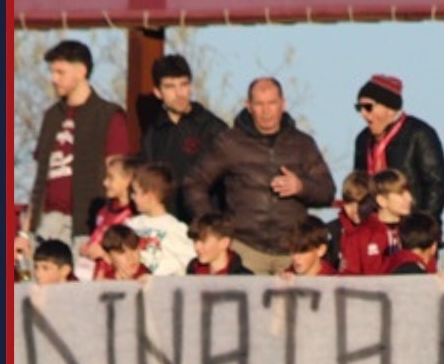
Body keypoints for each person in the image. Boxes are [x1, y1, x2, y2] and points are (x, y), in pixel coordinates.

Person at [184, 76, 336, 275]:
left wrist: (301, 187)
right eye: (259, 104)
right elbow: (195, 182)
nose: (266, 111)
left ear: (283, 104)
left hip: (292, 251)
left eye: (272, 103)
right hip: (245, 249)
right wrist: (212, 227)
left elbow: (327, 190)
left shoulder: (302, 144)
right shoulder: (230, 142)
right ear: (249, 106)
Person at [20, 39, 130, 260]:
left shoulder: (108, 115)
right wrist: (24, 231)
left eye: (60, 72)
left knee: (78, 293)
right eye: (52, 72)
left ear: (81, 71)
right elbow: (40, 179)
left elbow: (119, 174)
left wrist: (111, 226)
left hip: (85, 226)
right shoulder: (52, 116)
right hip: (46, 224)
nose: (54, 79)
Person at [140, 53, 228, 222]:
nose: (179, 93)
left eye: (183, 84)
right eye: (170, 87)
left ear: (191, 87)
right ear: (158, 92)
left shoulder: (212, 128)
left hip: (203, 226)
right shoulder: (153, 134)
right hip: (165, 226)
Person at [352, 73, 444, 221]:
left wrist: (422, 225)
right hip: (374, 229)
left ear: (390, 109)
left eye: (368, 107)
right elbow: (358, 183)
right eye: (359, 108)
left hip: (411, 228)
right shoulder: (362, 139)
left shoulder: (420, 134)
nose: (363, 114)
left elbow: (436, 185)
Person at [338, 167, 414, 275]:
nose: (409, 198)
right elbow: (347, 279)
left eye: (408, 192)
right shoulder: (358, 237)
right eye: (401, 194)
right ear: (382, 201)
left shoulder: (416, 231)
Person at [126, 161, 195, 275]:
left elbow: (188, 263)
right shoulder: (131, 225)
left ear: (150, 196)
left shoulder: (176, 228)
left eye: (135, 192)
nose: (132, 197)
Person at [79, 153, 139, 280]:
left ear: (128, 179)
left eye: (111, 178)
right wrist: (88, 248)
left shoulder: (134, 218)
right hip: (92, 275)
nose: (105, 182)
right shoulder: (105, 211)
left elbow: (131, 258)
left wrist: (104, 254)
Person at [325, 169, 371, 268]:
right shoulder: (331, 231)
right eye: (349, 203)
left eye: (360, 203)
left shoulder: (382, 231)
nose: (355, 210)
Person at [186, 211, 251, 275]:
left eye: (204, 241)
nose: (197, 247)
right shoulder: (193, 270)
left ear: (224, 243)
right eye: (195, 241)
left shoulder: (245, 278)